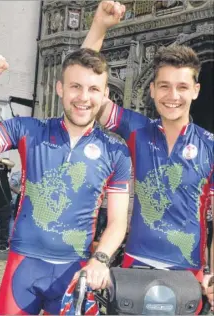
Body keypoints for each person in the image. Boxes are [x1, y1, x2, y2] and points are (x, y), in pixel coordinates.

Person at [0, 48, 131, 315]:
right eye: (75, 86)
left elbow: (119, 221)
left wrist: (101, 258)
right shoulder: (28, 130)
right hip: (23, 268)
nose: (84, 97)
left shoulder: (116, 151)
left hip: (75, 274)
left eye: (94, 89)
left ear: (105, 94)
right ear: (60, 88)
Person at [82, 0, 214, 311]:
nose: (173, 96)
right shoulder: (137, 130)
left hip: (187, 274)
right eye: (164, 86)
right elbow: (87, 92)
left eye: (182, 87)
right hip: (135, 267)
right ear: (151, 90)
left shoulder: (210, 145)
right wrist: (98, 27)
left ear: (196, 90)